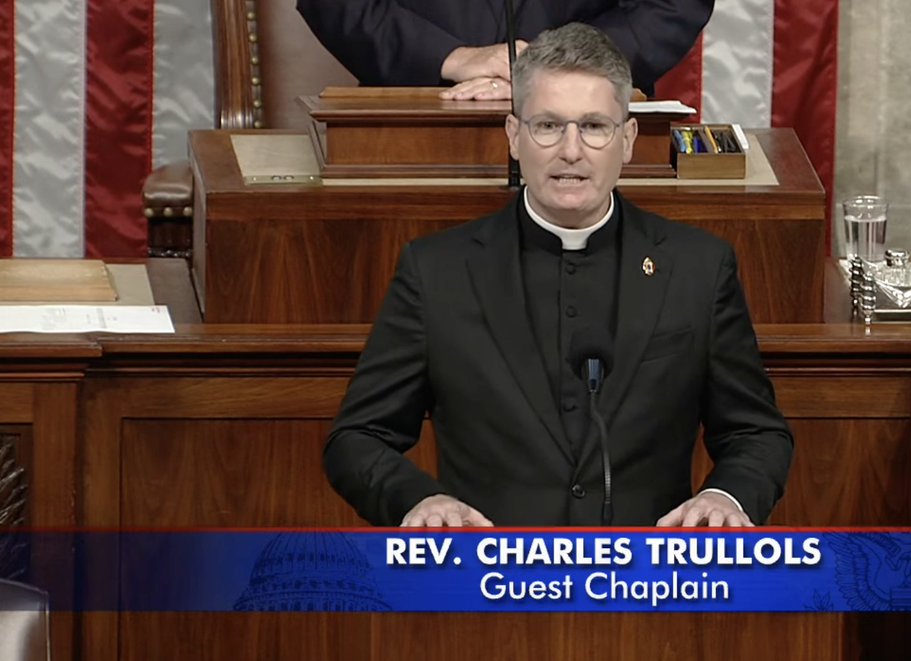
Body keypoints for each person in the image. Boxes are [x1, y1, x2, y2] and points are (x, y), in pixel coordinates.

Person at [323, 23, 793, 528]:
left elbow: (755, 432)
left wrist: (726, 497)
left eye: (594, 126)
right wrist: (417, 501)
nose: (571, 150)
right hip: (488, 584)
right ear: (514, 137)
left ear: (628, 140)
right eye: (548, 125)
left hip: (650, 588)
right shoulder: (438, 270)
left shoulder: (698, 267)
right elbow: (358, 436)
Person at [295, 0, 714, 100]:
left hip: (588, 112)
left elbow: (673, 5)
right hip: (416, 119)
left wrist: (560, 64)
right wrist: (453, 57)